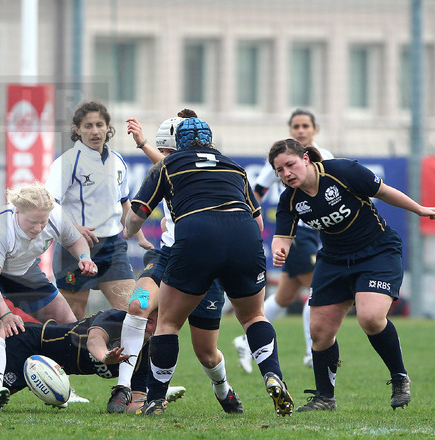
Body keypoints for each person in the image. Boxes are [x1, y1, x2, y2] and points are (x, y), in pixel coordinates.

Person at [124, 117, 293, 417]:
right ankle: (272, 374)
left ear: (177, 145)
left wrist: (128, 231)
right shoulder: (233, 167)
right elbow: (258, 223)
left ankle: (155, 399)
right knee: (254, 316)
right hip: (244, 236)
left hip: (197, 237)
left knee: (168, 324)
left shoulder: (167, 165)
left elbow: (136, 216)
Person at [268, 139, 435, 411]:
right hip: (333, 260)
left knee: (370, 317)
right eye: (279, 170)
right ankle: (325, 398)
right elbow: (282, 237)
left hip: (377, 251)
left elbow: (384, 191)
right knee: (319, 331)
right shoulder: (290, 199)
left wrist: (419, 209)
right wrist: (279, 250)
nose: (286, 173)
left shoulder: (342, 171)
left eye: (290, 164)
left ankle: (399, 378)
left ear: (306, 159)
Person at [103, 111, 241, 415]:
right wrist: (143, 144)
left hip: (202, 262)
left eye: (169, 152)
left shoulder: (208, 173)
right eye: (162, 152)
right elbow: (164, 164)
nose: (165, 158)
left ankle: (223, 389)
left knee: (206, 353)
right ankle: (123, 387)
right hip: (166, 256)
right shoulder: (166, 169)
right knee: (138, 305)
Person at [0, 309, 187, 413]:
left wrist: (154, 402)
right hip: (27, 344)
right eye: (147, 318)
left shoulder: (145, 354)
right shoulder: (116, 318)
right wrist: (105, 356)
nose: (149, 326)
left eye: (157, 321)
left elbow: (128, 402)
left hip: (38, 361)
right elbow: (95, 341)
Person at [0, 182, 96, 410]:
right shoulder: (1, 227)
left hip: (23, 270)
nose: (38, 228)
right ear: (17, 211)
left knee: (69, 325)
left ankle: (62, 388)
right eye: (32, 222)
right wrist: (6, 315)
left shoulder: (55, 215)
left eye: (43, 222)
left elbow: (75, 240)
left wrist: (84, 257)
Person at [233, 109, 334, 373]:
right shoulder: (282, 160)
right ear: (290, 130)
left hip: (317, 231)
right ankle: (312, 351)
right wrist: (247, 218)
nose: (301, 130)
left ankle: (245, 341)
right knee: (319, 289)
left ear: (315, 129)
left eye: (305, 126)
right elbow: (256, 191)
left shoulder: (325, 156)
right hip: (296, 234)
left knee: (284, 297)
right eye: (296, 126)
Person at [45, 100, 152, 320]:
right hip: (74, 247)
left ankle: (118, 344)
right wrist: (74, 229)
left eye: (99, 125)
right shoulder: (67, 162)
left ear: (107, 127)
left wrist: (139, 237)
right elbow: (49, 204)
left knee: (132, 312)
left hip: (112, 247)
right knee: (72, 318)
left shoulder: (117, 160)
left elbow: (124, 202)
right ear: (77, 130)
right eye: (88, 126)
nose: (95, 131)